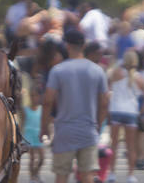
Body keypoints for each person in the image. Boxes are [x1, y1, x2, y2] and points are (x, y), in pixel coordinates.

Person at [41, 28, 109, 183]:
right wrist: (98, 126)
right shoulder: (98, 71)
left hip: (64, 131)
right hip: (88, 130)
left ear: (67, 46)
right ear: (84, 46)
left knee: (61, 175)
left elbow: (47, 101)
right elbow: (104, 103)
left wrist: (44, 127)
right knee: (87, 176)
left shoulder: (58, 70)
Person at [105, 49, 144, 183]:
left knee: (114, 144)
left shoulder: (117, 72)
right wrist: (141, 111)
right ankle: (130, 175)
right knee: (130, 146)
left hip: (116, 110)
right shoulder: (139, 77)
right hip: (131, 112)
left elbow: (107, 89)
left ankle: (112, 173)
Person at [24, 84, 45, 183]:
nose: (33, 98)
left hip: (38, 135)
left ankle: (35, 173)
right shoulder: (26, 109)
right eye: (31, 96)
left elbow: (45, 121)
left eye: (35, 95)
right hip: (29, 136)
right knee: (32, 159)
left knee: (42, 158)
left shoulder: (42, 109)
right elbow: (22, 123)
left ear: (39, 97)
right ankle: (32, 178)